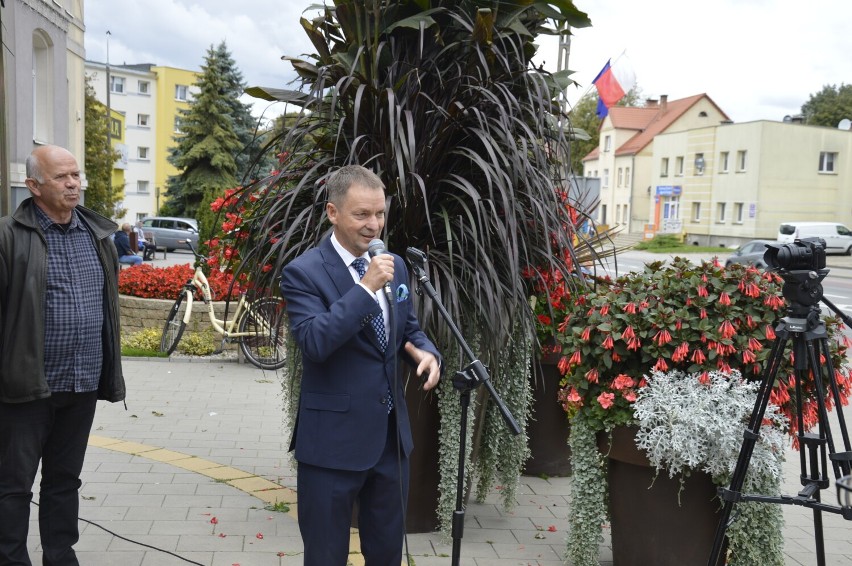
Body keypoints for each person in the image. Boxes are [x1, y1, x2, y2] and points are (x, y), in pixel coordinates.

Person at [280, 165, 441, 565]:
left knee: (387, 556)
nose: (374, 225)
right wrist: (365, 287)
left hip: (390, 442)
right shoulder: (304, 272)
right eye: (362, 215)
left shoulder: (394, 265)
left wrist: (425, 352)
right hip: (331, 447)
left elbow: (407, 329)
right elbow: (316, 341)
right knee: (325, 557)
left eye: (380, 213)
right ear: (333, 213)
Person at [0, 145, 126, 565]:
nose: (73, 184)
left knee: (64, 480)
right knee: (13, 485)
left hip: (82, 381)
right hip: (27, 387)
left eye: (76, 175)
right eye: (61, 177)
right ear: (34, 186)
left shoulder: (97, 235)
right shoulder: (8, 236)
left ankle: (60, 555)